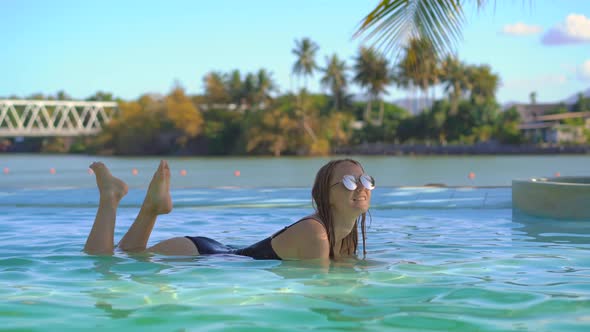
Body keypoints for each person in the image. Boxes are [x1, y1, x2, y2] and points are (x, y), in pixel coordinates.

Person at [83, 159, 374, 261]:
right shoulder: (316, 233)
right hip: (200, 257)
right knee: (107, 261)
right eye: (349, 181)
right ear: (326, 194)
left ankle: (151, 209)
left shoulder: (342, 236)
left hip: (218, 252)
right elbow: (324, 292)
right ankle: (110, 198)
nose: (360, 186)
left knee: (128, 257)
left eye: (364, 180)